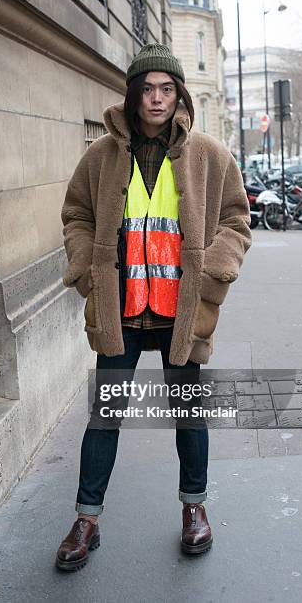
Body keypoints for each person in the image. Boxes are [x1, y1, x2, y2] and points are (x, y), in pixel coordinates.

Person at [56, 43, 251, 571]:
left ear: (179, 94)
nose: (157, 99)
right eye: (148, 88)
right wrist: (84, 265)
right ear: (133, 94)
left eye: (167, 88)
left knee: (188, 414)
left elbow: (236, 219)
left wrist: (215, 267)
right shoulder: (101, 155)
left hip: (179, 312)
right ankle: (86, 519)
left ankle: (194, 509)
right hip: (120, 312)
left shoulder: (209, 154)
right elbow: (75, 213)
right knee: (105, 417)